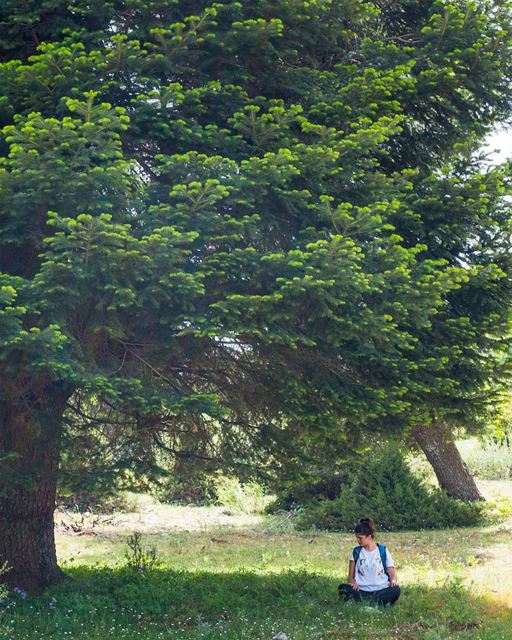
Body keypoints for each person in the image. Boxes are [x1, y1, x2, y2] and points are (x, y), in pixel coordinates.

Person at [338, 517, 400, 606]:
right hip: (361, 590)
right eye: (357, 537)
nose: (358, 540)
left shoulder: (383, 550)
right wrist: (353, 583)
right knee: (342, 588)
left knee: (395, 590)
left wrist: (393, 581)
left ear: (369, 536)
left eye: (360, 538)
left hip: (381, 590)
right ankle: (375, 603)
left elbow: (392, 573)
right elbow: (351, 577)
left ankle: (369, 602)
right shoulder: (356, 552)